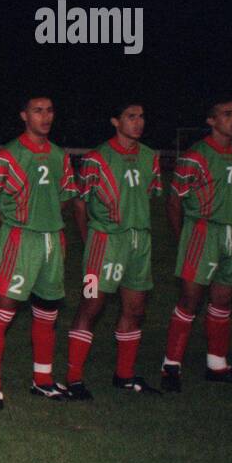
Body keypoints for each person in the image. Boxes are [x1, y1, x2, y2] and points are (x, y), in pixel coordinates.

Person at [0, 94, 78, 407]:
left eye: (49, 110)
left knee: (48, 311)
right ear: (24, 115)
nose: (45, 117)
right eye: (37, 111)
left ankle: (43, 380)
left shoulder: (60, 155)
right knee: (3, 309)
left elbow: (65, 197)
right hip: (21, 241)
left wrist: (45, 219)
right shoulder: (9, 155)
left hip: (52, 240)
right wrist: (12, 225)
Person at [62, 101, 162, 397]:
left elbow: (148, 196)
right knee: (91, 304)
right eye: (131, 117)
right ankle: (74, 379)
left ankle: (125, 376)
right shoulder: (96, 159)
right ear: (115, 122)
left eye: (141, 116)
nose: (138, 122)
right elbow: (79, 203)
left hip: (138, 243)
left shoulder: (149, 157)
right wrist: (90, 238)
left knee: (136, 308)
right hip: (104, 243)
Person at [159, 98, 232, 390]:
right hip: (202, 231)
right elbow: (174, 202)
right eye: (227, 114)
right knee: (190, 300)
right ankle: (171, 366)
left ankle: (217, 364)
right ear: (211, 121)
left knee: (223, 300)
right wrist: (183, 239)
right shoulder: (195, 155)